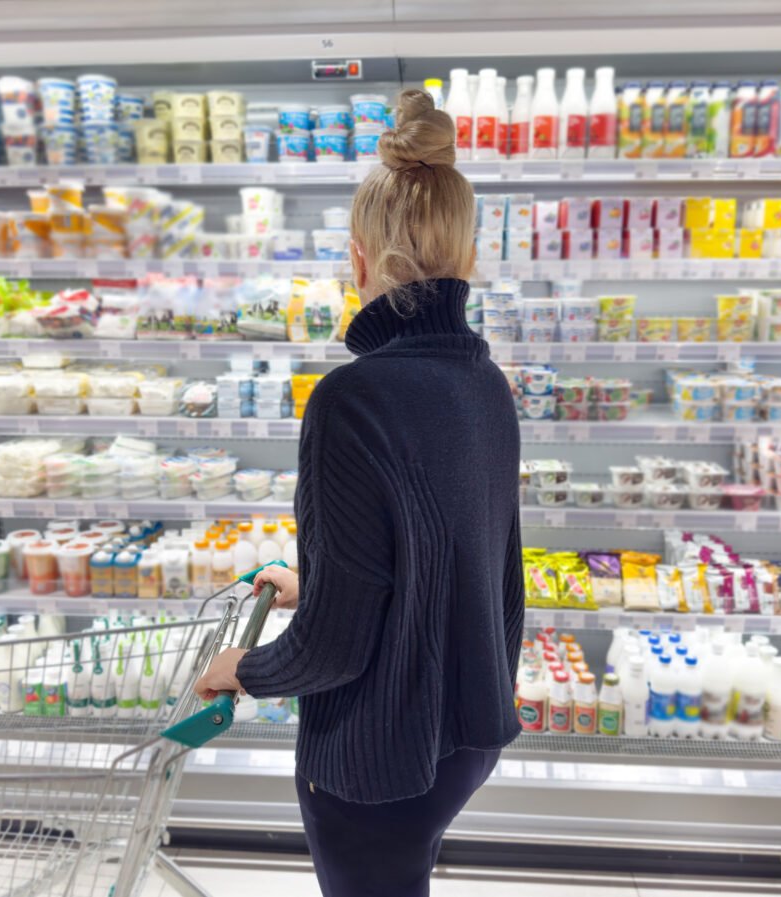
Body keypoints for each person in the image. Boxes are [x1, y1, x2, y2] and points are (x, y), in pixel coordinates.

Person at [194, 88, 525, 897]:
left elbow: (336, 648)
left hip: (380, 754)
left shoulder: (353, 399)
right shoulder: (488, 385)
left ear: (359, 260)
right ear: (467, 256)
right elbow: (461, 569)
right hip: (465, 738)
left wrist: (243, 667)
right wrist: (321, 584)